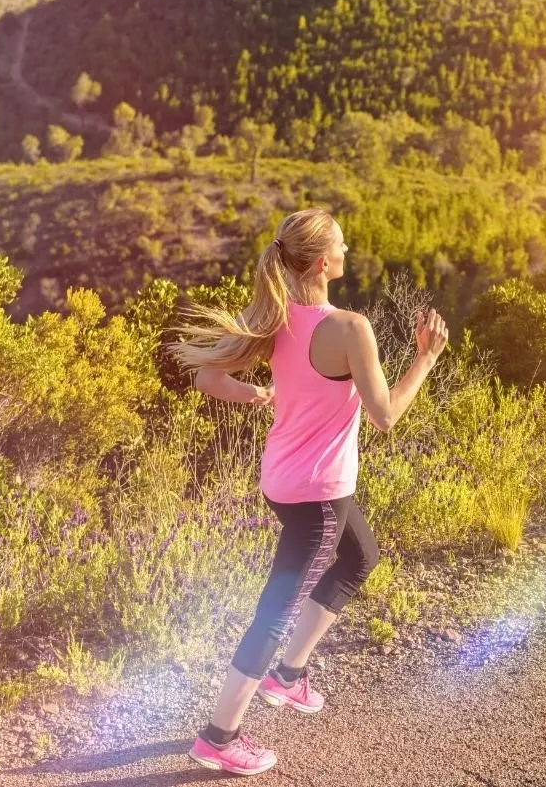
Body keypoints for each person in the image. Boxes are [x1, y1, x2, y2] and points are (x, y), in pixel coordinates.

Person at [168, 208, 448, 775]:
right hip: (320, 495)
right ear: (324, 261)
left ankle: (288, 676)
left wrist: (254, 395)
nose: (348, 250)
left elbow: (205, 377)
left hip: (283, 481)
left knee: (360, 556)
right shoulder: (348, 328)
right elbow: (386, 416)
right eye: (342, 244)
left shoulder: (272, 317)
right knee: (276, 612)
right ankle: (219, 738)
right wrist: (425, 358)